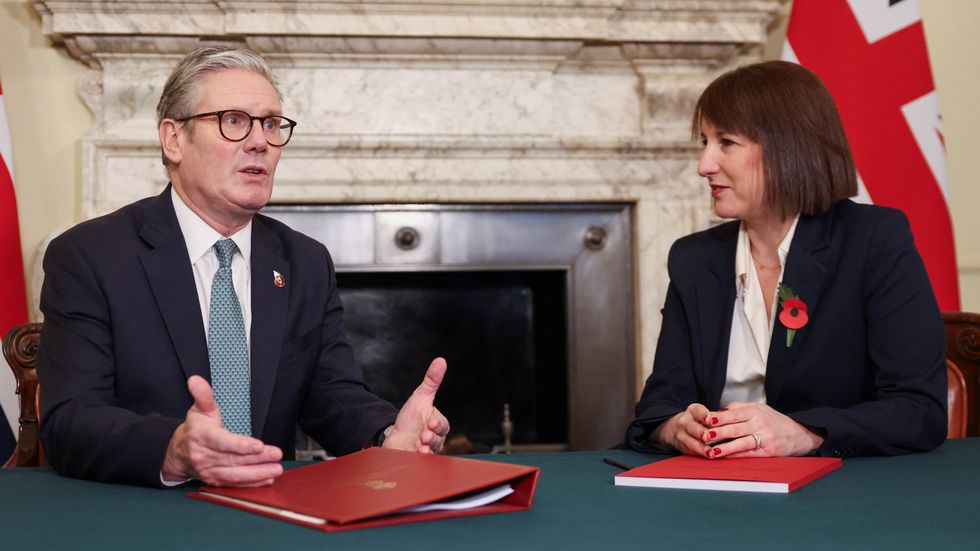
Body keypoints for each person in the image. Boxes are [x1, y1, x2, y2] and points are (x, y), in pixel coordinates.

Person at [38, 46, 450, 488]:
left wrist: (387, 437)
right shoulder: (90, 257)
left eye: (271, 124)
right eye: (233, 120)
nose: (259, 141)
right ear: (174, 139)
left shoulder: (304, 261)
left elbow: (331, 394)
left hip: (272, 511)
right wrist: (173, 449)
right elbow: (71, 421)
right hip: (145, 514)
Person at [625, 60, 946, 459]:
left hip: (842, 493)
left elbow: (919, 411)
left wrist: (803, 434)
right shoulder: (693, 257)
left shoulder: (874, 239)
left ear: (787, 147)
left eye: (726, 142)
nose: (704, 165)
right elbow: (659, 404)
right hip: (714, 489)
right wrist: (675, 428)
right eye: (704, 143)